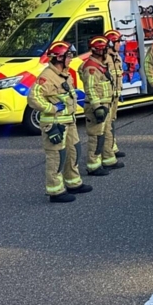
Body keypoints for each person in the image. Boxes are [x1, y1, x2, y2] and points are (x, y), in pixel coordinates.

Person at [27, 41, 93, 203]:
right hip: (54, 124)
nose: (71, 59)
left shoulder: (65, 74)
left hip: (69, 121)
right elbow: (33, 97)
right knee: (56, 157)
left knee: (73, 151)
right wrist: (52, 108)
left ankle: (73, 183)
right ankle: (55, 191)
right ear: (59, 58)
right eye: (68, 56)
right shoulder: (47, 76)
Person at [81, 36, 124, 175]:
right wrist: (97, 107)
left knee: (107, 132)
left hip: (106, 104)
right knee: (96, 136)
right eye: (106, 49)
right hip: (98, 107)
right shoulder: (91, 68)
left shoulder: (101, 64)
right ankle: (93, 166)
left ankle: (108, 159)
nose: (108, 51)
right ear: (100, 51)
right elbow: (91, 89)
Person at [104, 29, 126, 158]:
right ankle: (107, 150)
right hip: (107, 97)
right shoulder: (104, 58)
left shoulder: (117, 57)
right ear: (111, 43)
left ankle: (113, 147)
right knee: (106, 124)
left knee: (112, 122)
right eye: (118, 42)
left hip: (115, 96)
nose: (120, 44)